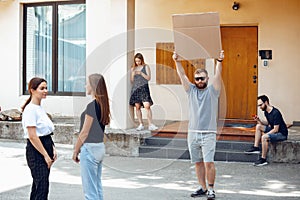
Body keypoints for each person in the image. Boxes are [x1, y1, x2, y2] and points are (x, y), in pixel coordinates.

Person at [173, 50, 224, 200]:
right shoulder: (191, 91)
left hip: (208, 133)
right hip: (193, 133)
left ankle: (211, 189)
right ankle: (202, 187)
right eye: (197, 79)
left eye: (202, 78)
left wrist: (219, 61)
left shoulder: (213, 91)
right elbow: (182, 75)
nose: (199, 81)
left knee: (209, 163)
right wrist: (176, 61)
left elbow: (218, 75)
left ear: (207, 78)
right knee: (197, 163)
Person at [73, 73, 111, 200]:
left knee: (90, 191)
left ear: (93, 86)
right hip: (99, 147)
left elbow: (84, 132)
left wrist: (75, 150)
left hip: (90, 149)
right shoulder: (103, 104)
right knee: (97, 187)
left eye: (87, 83)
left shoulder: (92, 106)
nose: (85, 85)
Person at [21, 77, 57, 200]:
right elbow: (32, 136)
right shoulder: (30, 110)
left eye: (46, 88)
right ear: (32, 90)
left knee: (38, 187)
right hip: (36, 151)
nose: (45, 90)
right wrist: (46, 155)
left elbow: (46, 131)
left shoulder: (39, 108)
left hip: (45, 146)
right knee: (42, 187)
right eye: (42, 88)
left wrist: (53, 148)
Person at [245, 95, 288, 166]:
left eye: (261, 105)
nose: (260, 107)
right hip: (274, 130)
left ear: (266, 102)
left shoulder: (276, 113)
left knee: (264, 137)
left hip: (281, 134)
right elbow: (268, 124)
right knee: (258, 126)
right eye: (258, 106)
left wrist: (266, 134)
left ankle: (263, 159)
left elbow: (275, 129)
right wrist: (258, 120)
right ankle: (256, 147)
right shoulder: (266, 112)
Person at [129, 53, 158, 131]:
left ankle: (150, 124)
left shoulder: (146, 67)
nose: (137, 63)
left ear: (142, 60)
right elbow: (132, 80)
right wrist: (133, 73)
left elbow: (148, 78)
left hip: (144, 88)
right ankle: (140, 124)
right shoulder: (133, 68)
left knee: (147, 106)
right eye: (136, 61)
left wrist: (141, 73)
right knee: (137, 107)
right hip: (136, 89)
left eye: (139, 61)